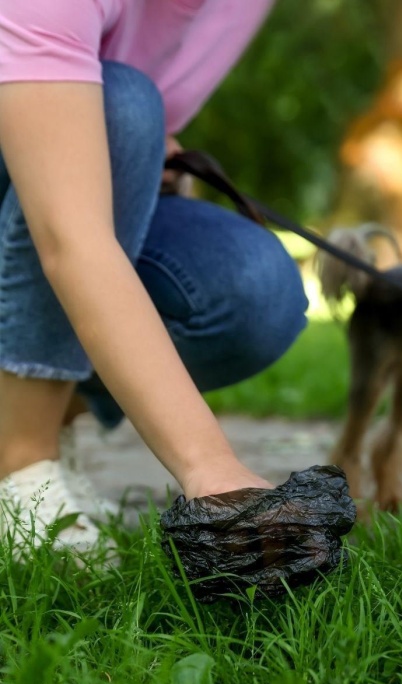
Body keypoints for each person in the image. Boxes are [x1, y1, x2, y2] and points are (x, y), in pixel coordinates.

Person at [0, 2, 313, 554]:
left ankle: (44, 418)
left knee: (251, 290)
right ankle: (20, 464)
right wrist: (210, 468)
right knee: (121, 107)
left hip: (57, 176)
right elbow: (68, 237)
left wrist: (146, 159)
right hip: (53, 210)